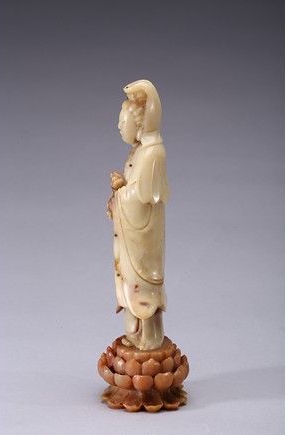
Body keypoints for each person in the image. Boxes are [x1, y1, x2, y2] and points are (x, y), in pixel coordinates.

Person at [107, 80, 169, 351]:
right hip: (132, 237)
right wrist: (122, 187)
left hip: (144, 238)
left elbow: (143, 198)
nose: (119, 126)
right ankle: (134, 333)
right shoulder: (137, 151)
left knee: (144, 287)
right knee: (130, 283)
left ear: (139, 123)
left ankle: (151, 337)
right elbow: (134, 189)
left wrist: (121, 193)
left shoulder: (153, 153)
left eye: (123, 122)